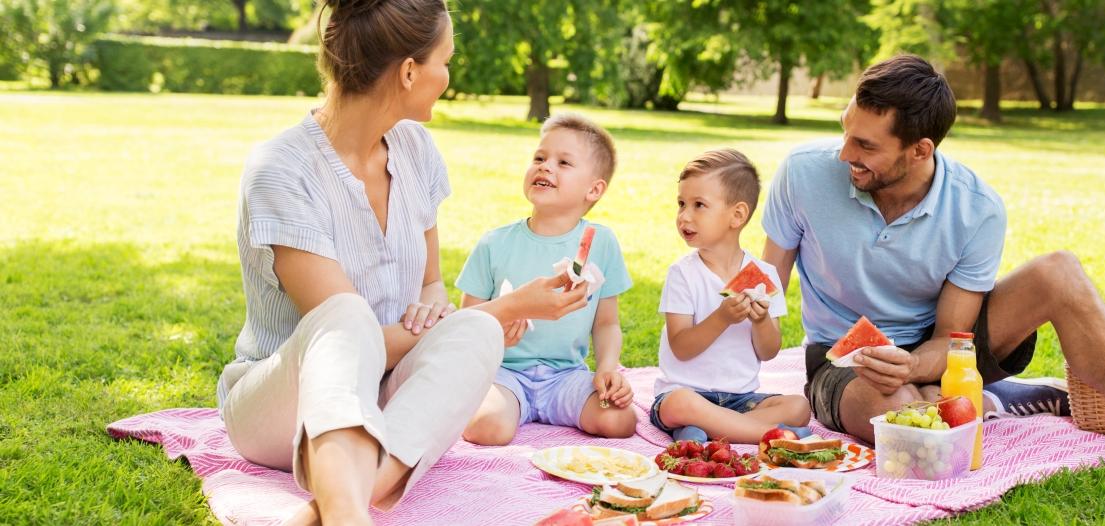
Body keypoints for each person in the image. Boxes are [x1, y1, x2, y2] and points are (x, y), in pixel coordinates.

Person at [761, 54, 1105, 508]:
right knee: (911, 432)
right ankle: (996, 401)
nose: (845, 154)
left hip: (940, 349)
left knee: (1060, 270)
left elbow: (953, 337)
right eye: (845, 130)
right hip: (841, 358)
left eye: (866, 145)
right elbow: (765, 288)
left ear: (921, 149)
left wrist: (915, 364)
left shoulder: (975, 208)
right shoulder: (803, 174)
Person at [219, 1, 589, 523]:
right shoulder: (281, 171)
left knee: (478, 337)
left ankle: (332, 507)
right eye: (446, 60)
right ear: (410, 71)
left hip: (386, 394)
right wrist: (507, 307)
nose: (448, 75)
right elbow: (349, 343)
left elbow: (431, 284)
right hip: (285, 408)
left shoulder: (415, 150)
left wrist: (444, 315)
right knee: (349, 316)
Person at [456, 113, 637, 445]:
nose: (545, 167)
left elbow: (606, 323)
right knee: (488, 427)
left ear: (594, 189)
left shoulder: (603, 243)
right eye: (539, 158)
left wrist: (608, 368)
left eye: (563, 162)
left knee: (621, 420)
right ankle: (497, 406)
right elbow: (466, 322)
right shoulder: (494, 243)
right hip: (504, 374)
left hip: (566, 377)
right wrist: (500, 326)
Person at [649, 149, 812, 444]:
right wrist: (722, 317)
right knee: (680, 404)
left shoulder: (763, 274)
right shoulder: (682, 273)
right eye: (681, 204)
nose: (684, 215)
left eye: (699, 205)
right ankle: (773, 435)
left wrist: (762, 320)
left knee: (798, 407)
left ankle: (707, 432)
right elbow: (681, 348)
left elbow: (769, 351)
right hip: (686, 393)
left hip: (740, 399)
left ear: (737, 215)